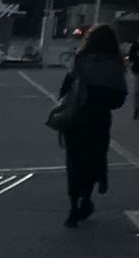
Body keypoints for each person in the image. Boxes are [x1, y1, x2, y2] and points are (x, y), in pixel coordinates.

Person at [54, 23, 128, 227]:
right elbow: (120, 97)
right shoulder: (115, 63)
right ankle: (86, 197)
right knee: (94, 158)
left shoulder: (81, 59)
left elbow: (66, 87)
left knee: (74, 160)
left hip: (77, 115)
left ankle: (73, 206)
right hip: (99, 118)